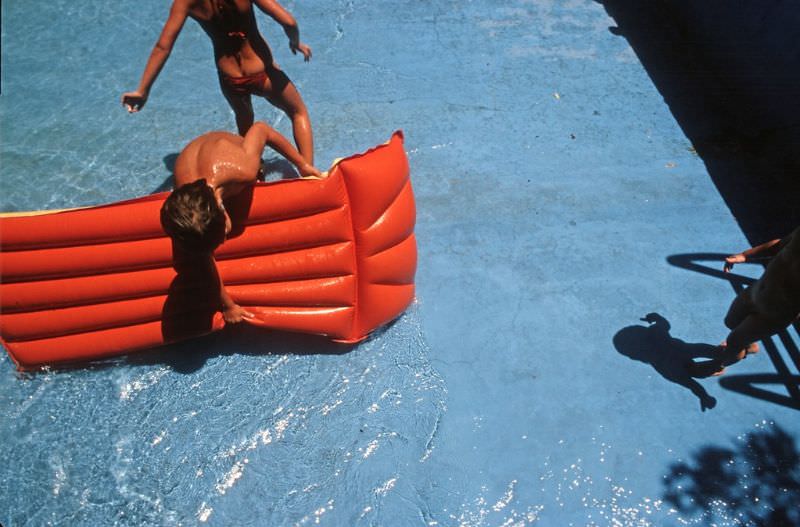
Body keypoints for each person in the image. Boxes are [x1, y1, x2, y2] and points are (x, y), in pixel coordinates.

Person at [160, 121, 322, 324]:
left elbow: (261, 129)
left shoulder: (242, 169)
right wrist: (227, 305)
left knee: (255, 176)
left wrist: (303, 165)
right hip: (198, 156)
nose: (224, 243)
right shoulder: (182, 202)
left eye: (222, 238)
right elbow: (202, 257)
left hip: (228, 151)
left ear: (221, 208)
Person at [123, 0, 315, 162]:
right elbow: (288, 22)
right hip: (262, 72)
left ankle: (255, 173)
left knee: (245, 124)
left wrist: (143, 90)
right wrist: (295, 42)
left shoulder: (184, 2)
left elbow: (162, 47)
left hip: (231, 79)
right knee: (298, 112)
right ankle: (310, 176)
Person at [689, 226, 800, 377]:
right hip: (754, 292)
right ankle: (748, 344)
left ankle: (718, 365)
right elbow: (781, 244)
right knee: (731, 322)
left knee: (734, 342)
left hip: (774, 313)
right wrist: (745, 256)